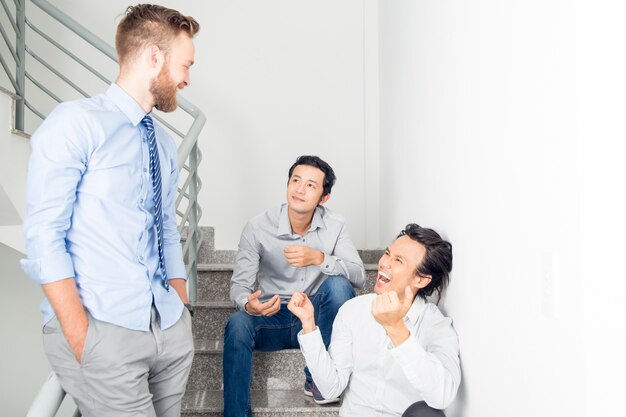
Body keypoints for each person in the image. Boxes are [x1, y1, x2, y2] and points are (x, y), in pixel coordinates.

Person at [20, 5, 200, 416]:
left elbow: (167, 230)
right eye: (185, 65)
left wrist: (180, 309)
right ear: (155, 57)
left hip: (167, 327)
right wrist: (82, 336)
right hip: (102, 330)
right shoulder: (75, 124)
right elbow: (44, 236)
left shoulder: (164, 145)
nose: (188, 79)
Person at [224, 155, 366, 417]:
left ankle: (317, 380)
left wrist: (320, 258)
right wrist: (249, 304)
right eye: (296, 180)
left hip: (314, 318)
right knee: (237, 323)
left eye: (311, 185)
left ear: (324, 198)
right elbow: (239, 286)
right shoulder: (257, 227)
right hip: (272, 316)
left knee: (338, 286)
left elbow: (359, 276)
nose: (300, 189)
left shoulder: (335, 225)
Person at [288, 223, 461, 417]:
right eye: (387, 253)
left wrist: (396, 329)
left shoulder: (435, 325)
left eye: (398, 260)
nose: (384, 263)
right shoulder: (353, 310)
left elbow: (442, 397)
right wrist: (309, 324)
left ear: (421, 280)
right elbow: (330, 389)